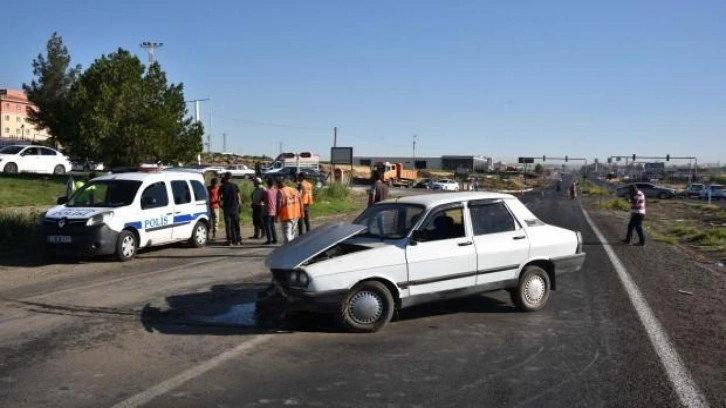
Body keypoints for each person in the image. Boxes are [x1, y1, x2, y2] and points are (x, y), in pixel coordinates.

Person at [276, 178, 302, 243]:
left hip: (287, 215)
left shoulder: (280, 191)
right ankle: (292, 249)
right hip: (296, 214)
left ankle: (288, 250)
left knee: (287, 235)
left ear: (279, 184)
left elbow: (279, 205)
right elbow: (300, 201)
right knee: (292, 234)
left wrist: (276, 216)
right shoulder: (294, 189)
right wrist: (301, 211)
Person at [219, 172, 242, 246]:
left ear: (225, 178)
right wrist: (239, 206)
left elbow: (219, 198)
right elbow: (238, 197)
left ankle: (230, 241)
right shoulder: (235, 186)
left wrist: (220, 205)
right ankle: (238, 240)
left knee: (228, 225)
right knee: (236, 224)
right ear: (231, 178)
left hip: (227, 208)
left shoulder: (222, 187)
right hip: (235, 207)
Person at [263, 177, 278, 244]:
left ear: (268, 183)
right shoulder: (276, 191)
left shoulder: (266, 192)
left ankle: (269, 239)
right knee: (272, 225)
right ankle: (275, 238)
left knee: (268, 226)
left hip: (268, 210)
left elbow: (263, 200)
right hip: (274, 210)